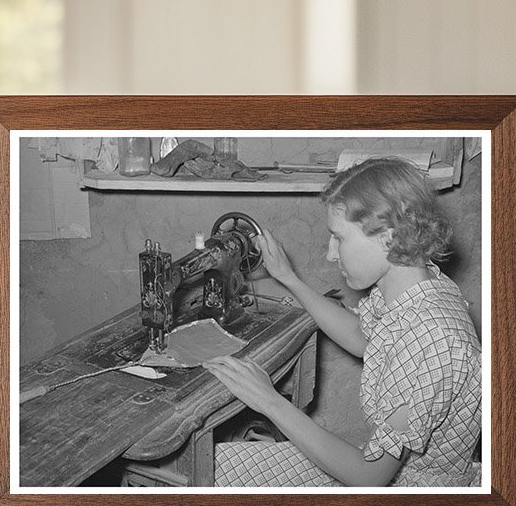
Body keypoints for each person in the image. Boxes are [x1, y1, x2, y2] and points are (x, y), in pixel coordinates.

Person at [205, 156, 482, 488]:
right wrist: (289, 278)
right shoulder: (418, 291)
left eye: (339, 238)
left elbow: (369, 477)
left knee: (212, 475)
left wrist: (269, 401)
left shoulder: (431, 339)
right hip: (381, 468)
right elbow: (361, 337)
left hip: (411, 494)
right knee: (216, 463)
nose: (330, 254)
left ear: (389, 237)